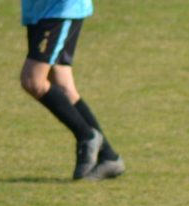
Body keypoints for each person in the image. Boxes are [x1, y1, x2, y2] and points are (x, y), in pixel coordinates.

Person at [20, 0, 125, 180]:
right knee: (62, 84)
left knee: (33, 81)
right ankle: (109, 157)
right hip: (39, 9)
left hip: (59, 9)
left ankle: (87, 135)